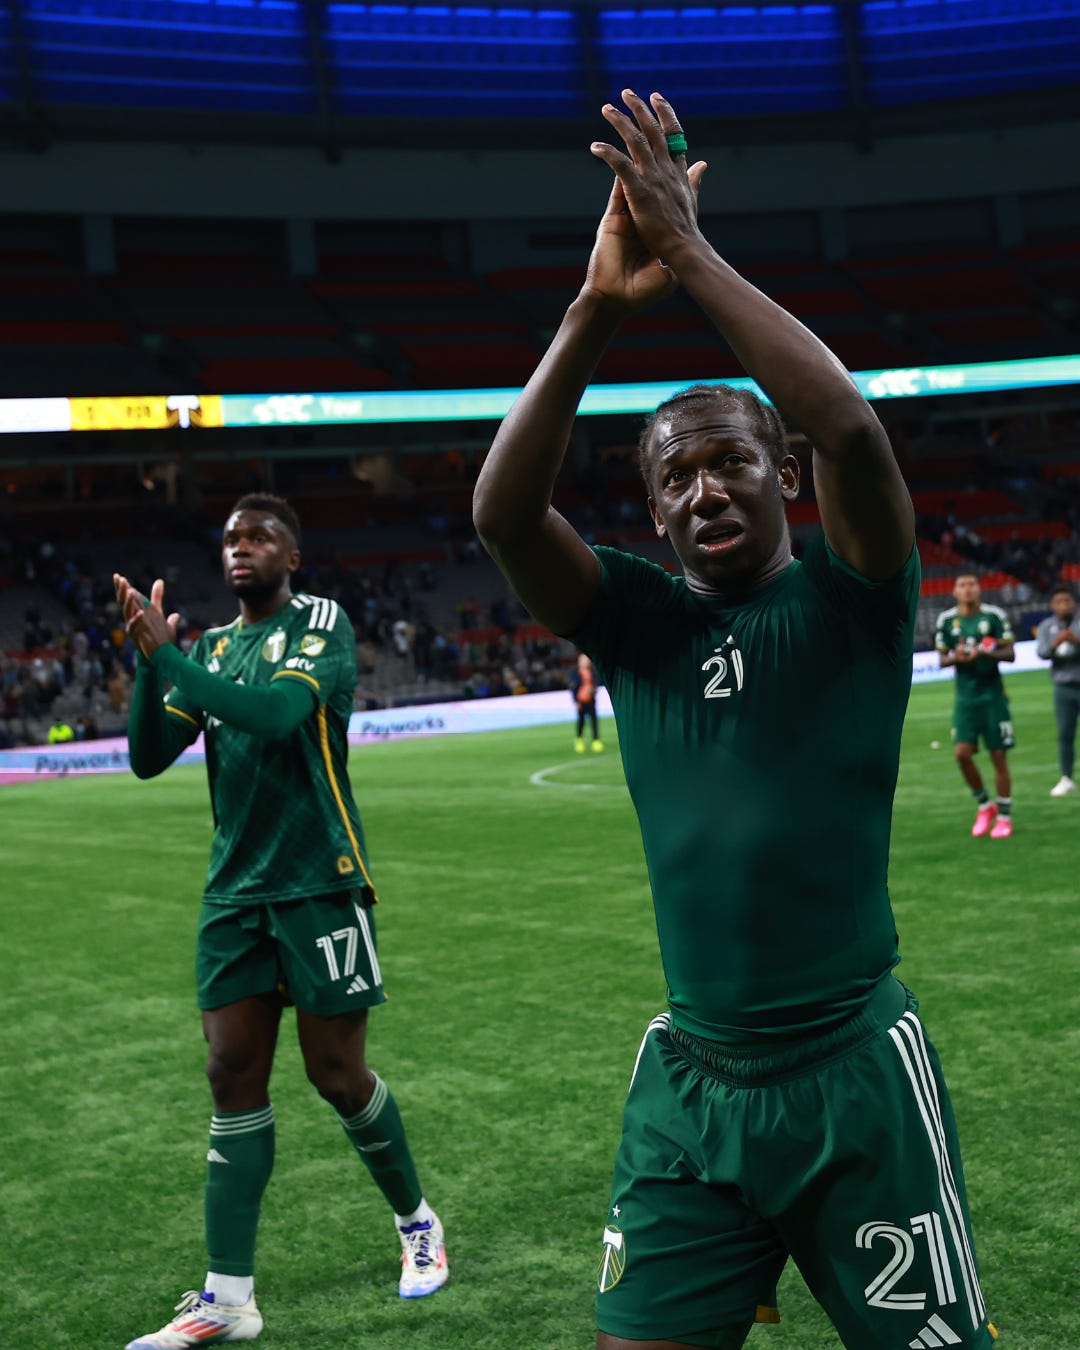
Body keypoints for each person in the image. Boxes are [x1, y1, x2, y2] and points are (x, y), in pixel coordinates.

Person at [473, 89, 997, 1350]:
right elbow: (502, 513)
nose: (705, 485)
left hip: (853, 1078)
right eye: (675, 474)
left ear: (784, 479)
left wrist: (691, 254)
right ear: (651, 511)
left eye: (733, 460)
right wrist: (598, 305)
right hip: (690, 1085)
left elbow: (853, 428)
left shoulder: (851, 606)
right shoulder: (642, 628)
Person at [114, 493, 447, 1350]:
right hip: (235, 892)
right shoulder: (216, 647)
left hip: (318, 881)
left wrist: (170, 657)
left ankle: (417, 1222)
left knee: (336, 1075)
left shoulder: (321, 623)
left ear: (290, 555)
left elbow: (276, 716)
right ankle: (228, 1300)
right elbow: (149, 757)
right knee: (230, 1074)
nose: (240, 548)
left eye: (258, 536)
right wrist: (152, 665)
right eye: (229, 538)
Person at [934, 574, 1016, 838]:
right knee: (961, 754)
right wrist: (955, 657)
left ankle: (1004, 816)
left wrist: (986, 653)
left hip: (993, 696)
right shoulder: (946, 620)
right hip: (965, 699)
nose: (967, 589)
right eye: (962, 585)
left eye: (972, 585)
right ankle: (985, 805)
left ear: (979, 589)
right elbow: (942, 660)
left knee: (998, 756)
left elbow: (1011, 653)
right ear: (954, 591)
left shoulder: (993, 616)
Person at [1035, 582, 1080, 796]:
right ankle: (1066, 777)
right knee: (1065, 733)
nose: (1063, 605)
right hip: (1063, 687)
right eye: (1058, 602)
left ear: (1074, 602)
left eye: (1067, 601)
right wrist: (1055, 644)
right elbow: (1042, 652)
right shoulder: (1046, 626)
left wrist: (1076, 641)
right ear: (1052, 605)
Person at [569, 652, 604, 752]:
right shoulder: (576, 674)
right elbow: (573, 689)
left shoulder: (593, 673)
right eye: (584, 660)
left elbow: (596, 684)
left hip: (591, 701)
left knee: (594, 721)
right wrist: (576, 701)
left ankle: (596, 740)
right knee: (581, 721)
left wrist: (594, 690)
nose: (586, 661)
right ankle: (579, 739)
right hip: (581, 701)